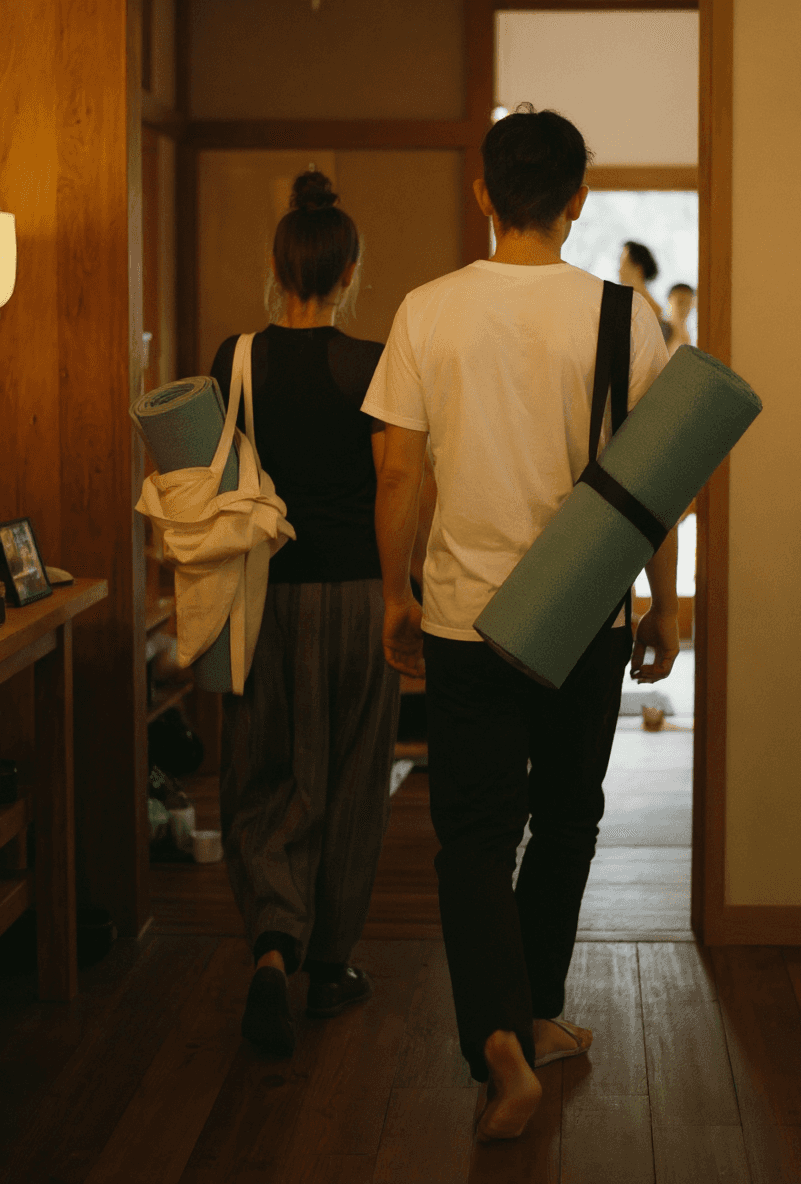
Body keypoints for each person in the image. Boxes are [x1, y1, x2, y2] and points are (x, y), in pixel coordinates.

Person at [362, 104, 680, 1142]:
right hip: (581, 610)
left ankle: (503, 1030)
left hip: (464, 617)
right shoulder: (625, 318)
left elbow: (399, 470)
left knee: (471, 832)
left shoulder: (427, 309)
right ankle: (527, 1010)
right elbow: (655, 479)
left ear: (483, 192)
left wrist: (394, 590)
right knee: (570, 816)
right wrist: (662, 600)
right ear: (578, 199)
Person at [210, 171, 433, 1057]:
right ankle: (330, 966)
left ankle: (272, 944)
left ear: (279, 267)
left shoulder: (232, 359)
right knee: (349, 778)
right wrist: (397, 593)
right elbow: (394, 483)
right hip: (350, 594)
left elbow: (211, 480)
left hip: (261, 593)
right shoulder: (370, 363)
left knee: (262, 767)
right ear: (348, 274)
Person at [618, 240, 672, 345]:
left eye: (622, 262)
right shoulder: (618, 302)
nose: (619, 269)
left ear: (638, 268)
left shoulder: (655, 311)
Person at [665, 281, 696, 354]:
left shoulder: (689, 335)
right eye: (680, 302)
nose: (684, 307)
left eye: (688, 303)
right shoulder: (662, 329)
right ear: (670, 300)